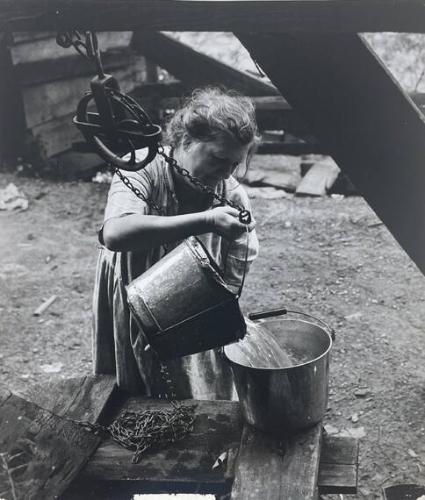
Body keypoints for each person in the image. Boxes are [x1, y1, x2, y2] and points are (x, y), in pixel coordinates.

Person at [92, 87, 260, 398]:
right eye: (219, 158)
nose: (226, 172)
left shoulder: (230, 193)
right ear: (185, 141)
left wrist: (224, 308)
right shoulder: (140, 167)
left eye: (234, 165)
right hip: (134, 291)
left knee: (191, 381)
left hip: (191, 303)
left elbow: (240, 257)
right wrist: (205, 221)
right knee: (134, 385)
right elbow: (115, 234)